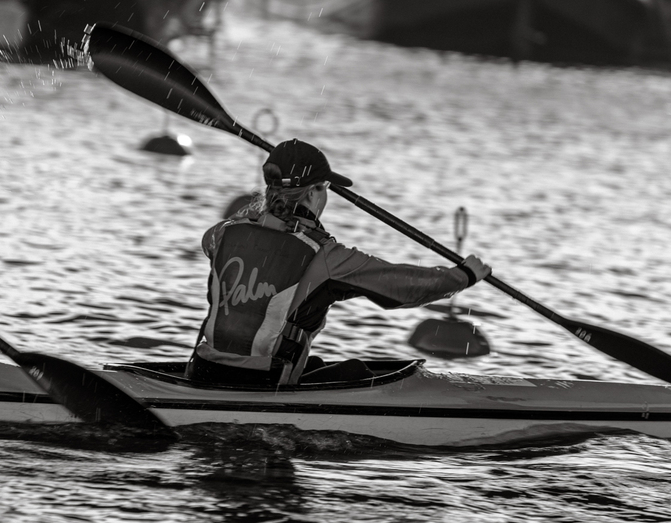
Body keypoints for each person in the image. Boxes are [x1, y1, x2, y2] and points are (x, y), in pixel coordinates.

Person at [186, 139, 491, 387]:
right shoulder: (326, 257)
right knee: (356, 371)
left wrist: (265, 213)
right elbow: (401, 287)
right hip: (263, 382)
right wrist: (463, 276)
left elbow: (240, 236)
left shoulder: (222, 234)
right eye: (326, 188)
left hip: (203, 370)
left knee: (316, 364)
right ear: (312, 193)